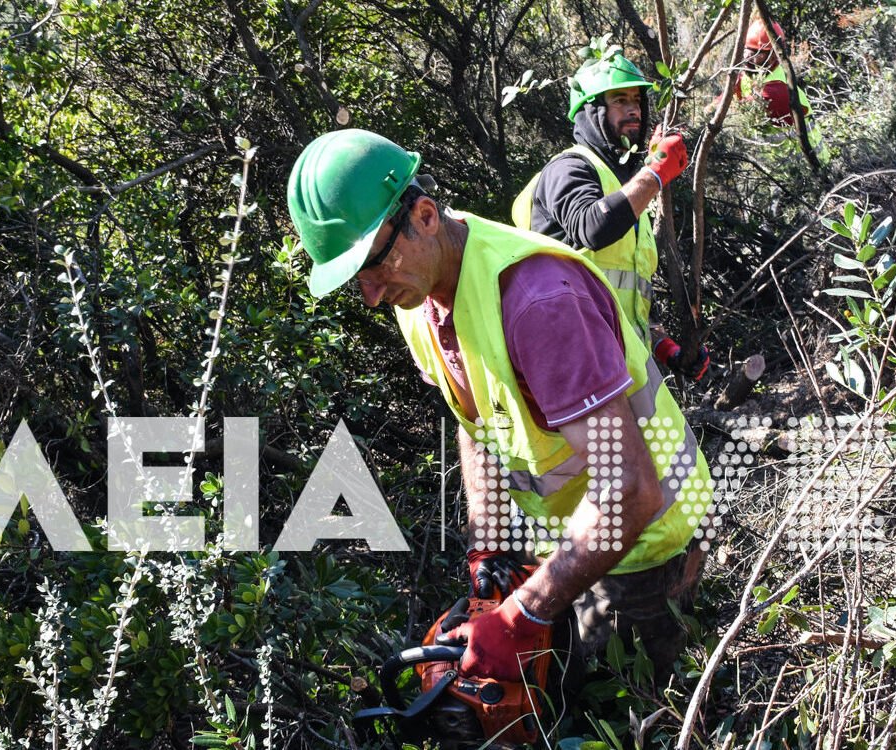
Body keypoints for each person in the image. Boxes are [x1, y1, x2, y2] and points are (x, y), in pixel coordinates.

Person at [287, 128, 714, 685]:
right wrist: (488, 544)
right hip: (579, 536)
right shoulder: (418, 294)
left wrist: (521, 613)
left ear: (424, 215)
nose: (370, 293)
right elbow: (477, 421)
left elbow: (630, 490)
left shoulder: (539, 303)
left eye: (373, 264)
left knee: (609, 708)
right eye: (355, 279)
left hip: (650, 542)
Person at [512, 49, 710, 382]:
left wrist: (664, 348)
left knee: (674, 437)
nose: (633, 109)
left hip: (626, 362)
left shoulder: (623, 188)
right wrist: (655, 173)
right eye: (620, 100)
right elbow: (592, 227)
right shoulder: (568, 167)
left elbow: (627, 292)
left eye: (637, 100)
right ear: (590, 111)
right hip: (577, 365)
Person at [735, 19, 810, 126]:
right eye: (746, 49)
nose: (747, 57)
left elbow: (734, 117)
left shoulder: (777, 89)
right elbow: (720, 104)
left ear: (774, 55)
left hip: (796, 142)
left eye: (757, 53)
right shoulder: (747, 75)